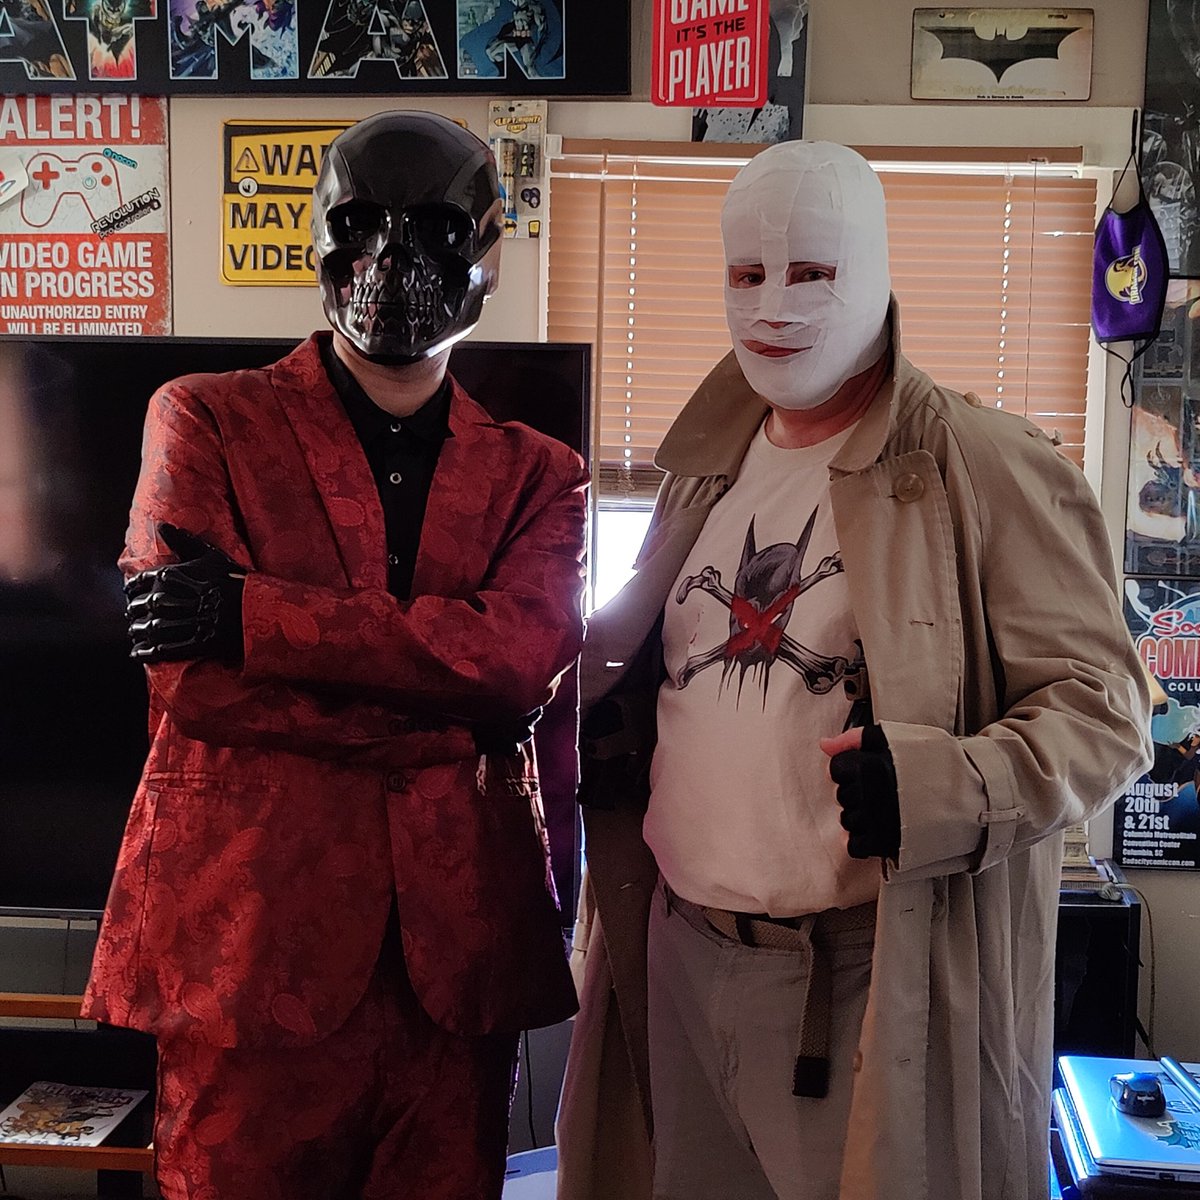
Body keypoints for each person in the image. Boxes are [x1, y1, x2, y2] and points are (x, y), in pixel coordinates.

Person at [555, 140, 1152, 1200]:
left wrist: (947, 785)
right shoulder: (704, 468)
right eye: (748, 274)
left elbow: (1106, 713)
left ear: (874, 270)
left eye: (812, 272)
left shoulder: (988, 465)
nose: (774, 306)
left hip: (862, 978)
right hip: (677, 951)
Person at [81, 111, 587, 1200]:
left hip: (456, 959)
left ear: (489, 252)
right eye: (359, 225)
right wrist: (455, 717)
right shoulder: (205, 421)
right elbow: (196, 689)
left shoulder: (541, 474)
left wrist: (255, 618)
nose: (390, 262)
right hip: (248, 945)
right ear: (317, 238)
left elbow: (521, 660)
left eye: (433, 229)